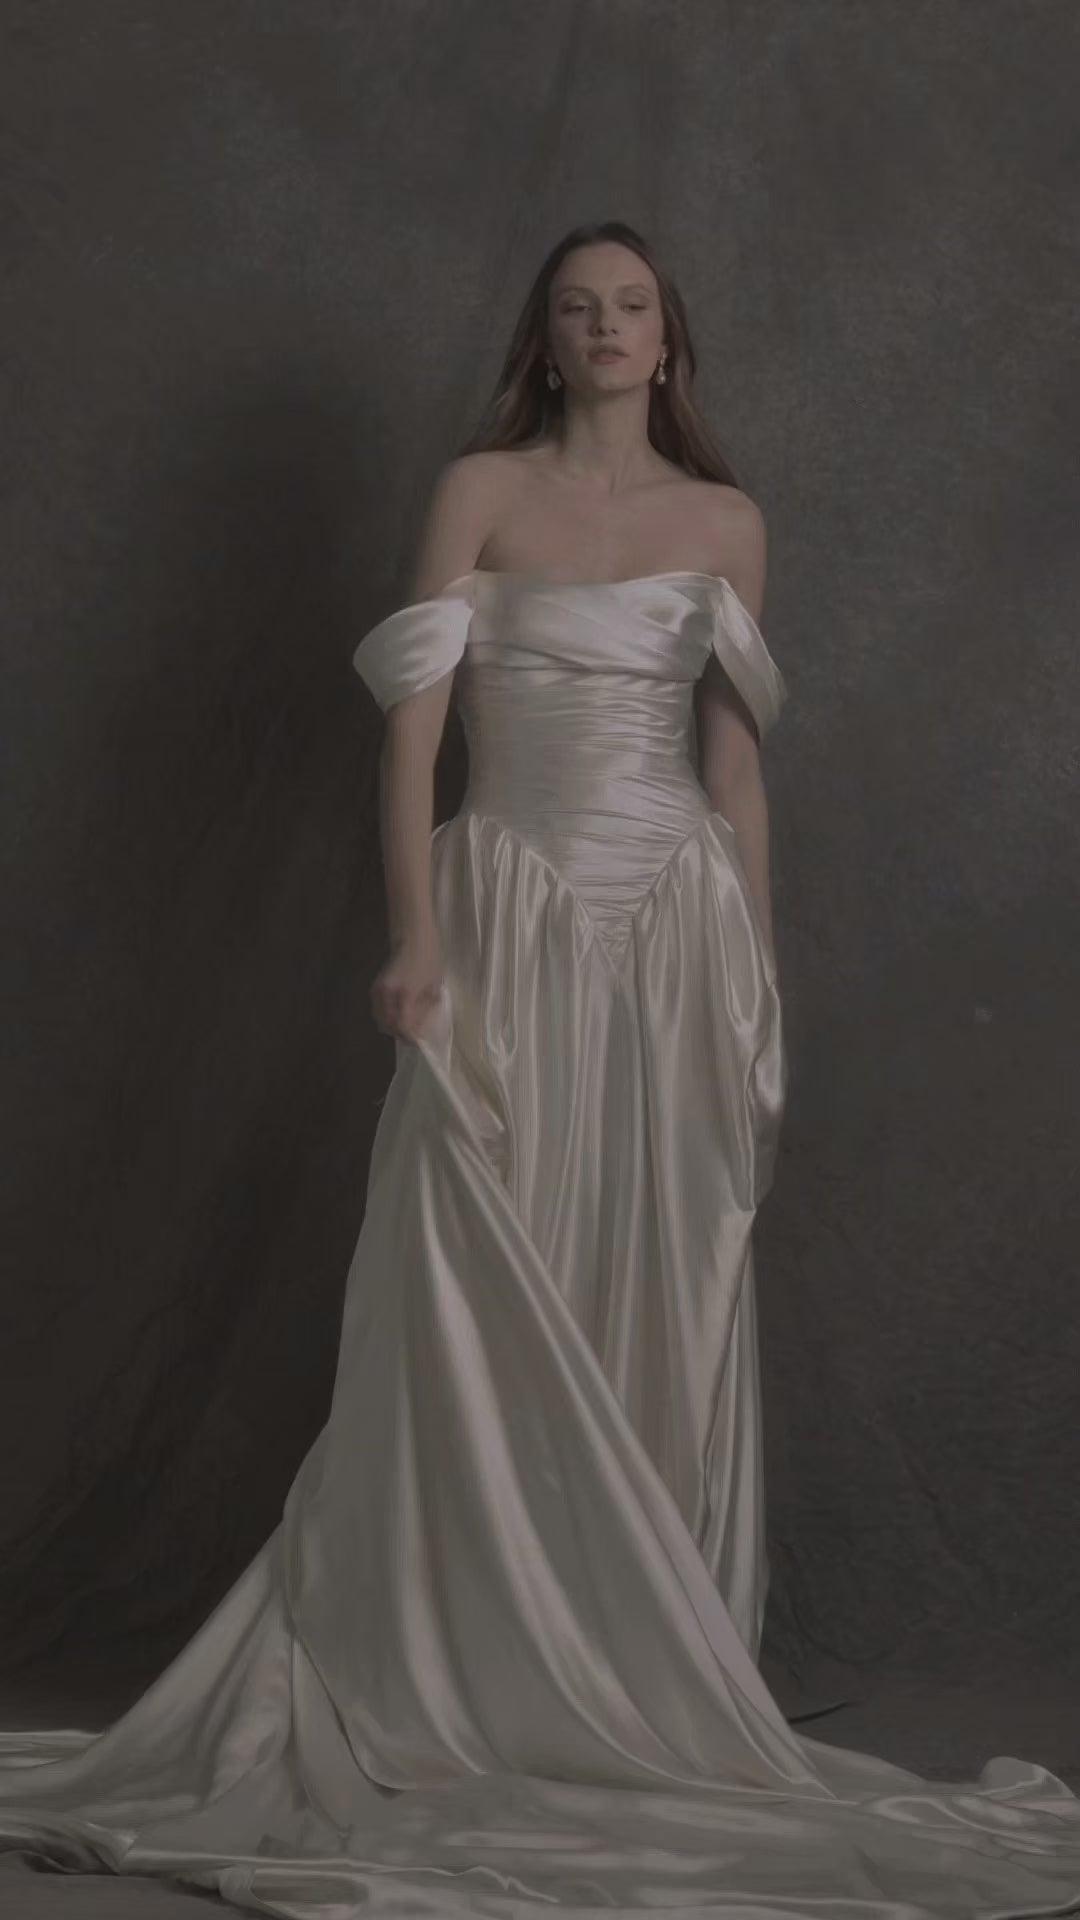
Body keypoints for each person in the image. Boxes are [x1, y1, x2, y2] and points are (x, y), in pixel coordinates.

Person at [0, 218, 1076, 1918]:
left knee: (660, 1258)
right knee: (481, 1258)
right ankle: (474, 1651)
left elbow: (736, 768)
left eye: (633, 305)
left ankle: (629, 1653)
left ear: (670, 338)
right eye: (580, 308)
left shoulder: (726, 523)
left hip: (674, 924)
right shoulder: (479, 491)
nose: (608, 328)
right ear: (548, 338)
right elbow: (415, 732)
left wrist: (756, 964)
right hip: (509, 902)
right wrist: (415, 934)